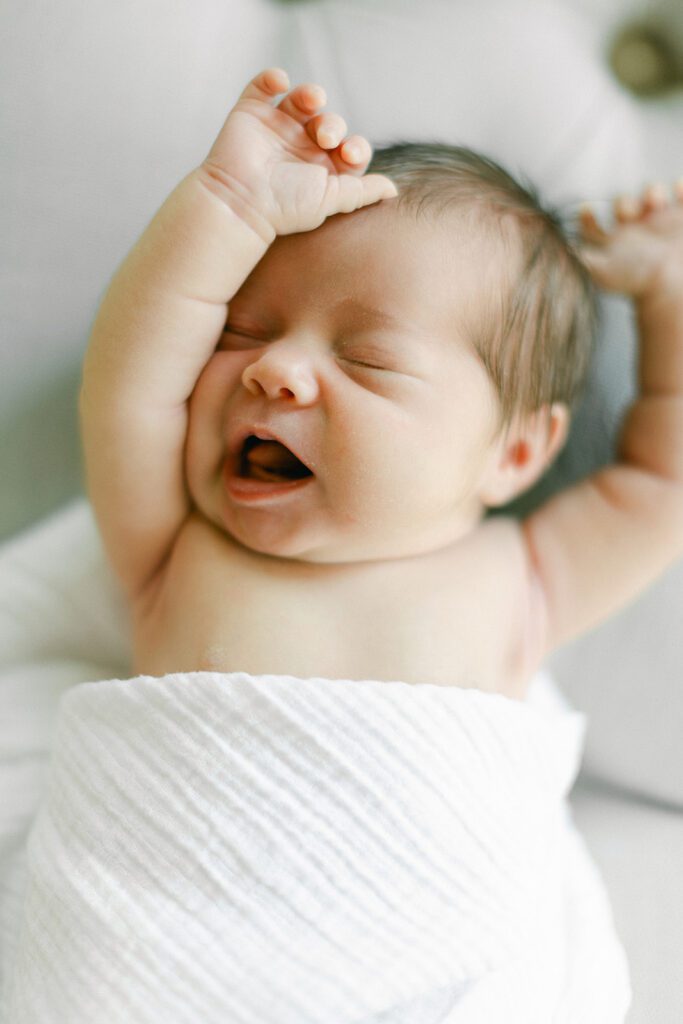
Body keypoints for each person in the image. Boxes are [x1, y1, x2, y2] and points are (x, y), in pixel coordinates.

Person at [80, 67, 683, 699]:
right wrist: (229, 203)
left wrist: (667, 301)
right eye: (243, 333)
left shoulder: (525, 585)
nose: (274, 368)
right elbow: (129, 384)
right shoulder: (173, 546)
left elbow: (663, 485)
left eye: (367, 361)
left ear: (517, 451)